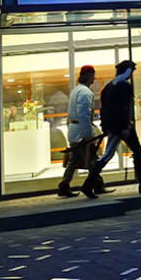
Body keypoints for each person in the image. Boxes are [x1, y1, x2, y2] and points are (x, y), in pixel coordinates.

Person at [83, 59, 141, 198]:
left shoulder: (108, 87)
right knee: (137, 152)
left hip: (113, 127)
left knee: (108, 154)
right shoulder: (125, 86)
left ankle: (88, 184)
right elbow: (123, 109)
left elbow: (104, 109)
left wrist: (107, 126)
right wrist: (125, 126)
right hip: (122, 127)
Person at [58, 64, 98, 198]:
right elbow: (84, 115)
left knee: (74, 160)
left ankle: (64, 185)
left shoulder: (76, 91)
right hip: (81, 132)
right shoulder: (85, 93)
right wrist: (88, 134)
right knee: (93, 159)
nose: (94, 78)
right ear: (88, 76)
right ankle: (93, 184)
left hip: (75, 131)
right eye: (93, 75)